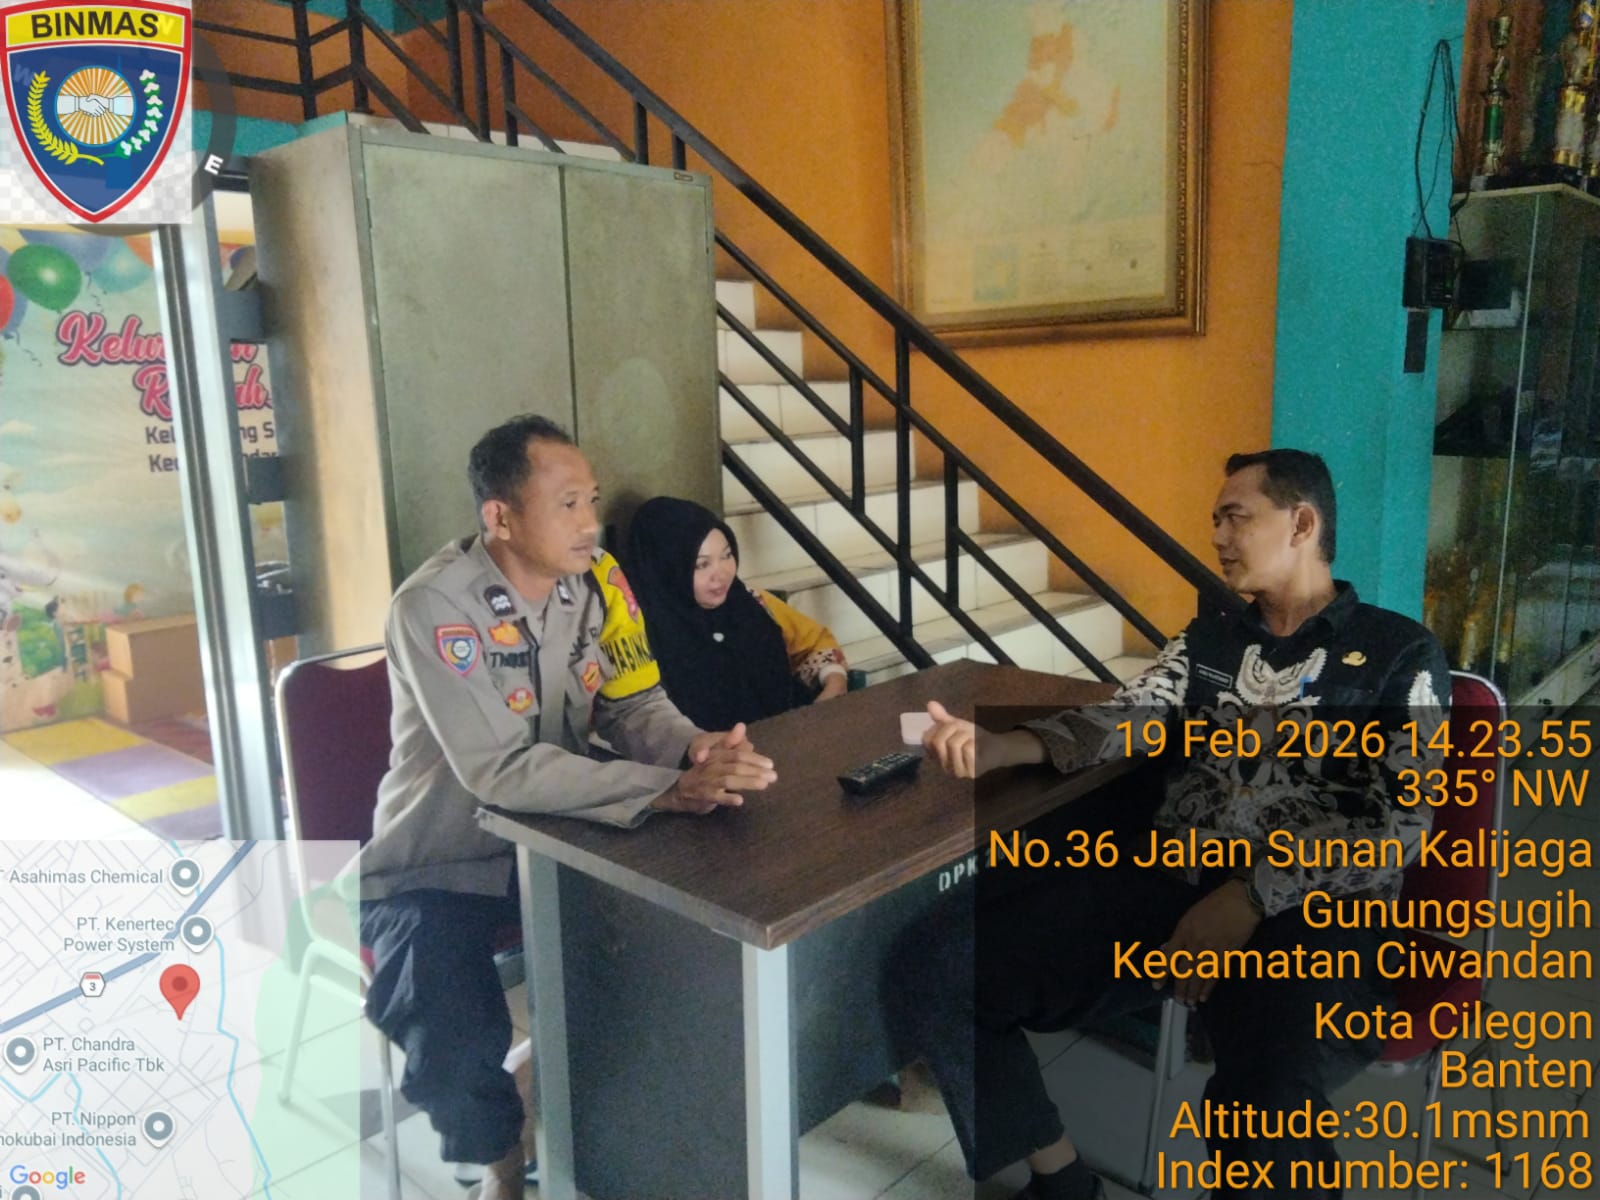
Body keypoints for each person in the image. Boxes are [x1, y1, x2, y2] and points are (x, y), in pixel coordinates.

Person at [909, 449, 1449, 1200]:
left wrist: (1251, 896)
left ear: (1301, 524)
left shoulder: (1399, 654)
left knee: (1267, 1102)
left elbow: (1402, 822)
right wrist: (1007, 746)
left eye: (1235, 517)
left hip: (1316, 907)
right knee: (946, 966)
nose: (1218, 536)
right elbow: (1130, 712)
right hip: (1177, 879)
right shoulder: (1210, 642)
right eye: (1215, 521)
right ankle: (1061, 1180)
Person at [359, 415, 778, 1200]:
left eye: (591, 500)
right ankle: (502, 1164)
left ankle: (558, 1089)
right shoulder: (434, 608)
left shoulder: (596, 585)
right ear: (500, 516)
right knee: (451, 1036)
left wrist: (695, 749)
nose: (590, 522)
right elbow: (499, 771)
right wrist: (661, 790)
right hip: (440, 860)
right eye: (567, 504)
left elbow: (634, 703)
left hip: (564, 837)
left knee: (677, 947)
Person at [621, 495, 849, 731]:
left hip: (790, 736)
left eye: (727, 555)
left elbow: (812, 643)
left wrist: (833, 680)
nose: (722, 574)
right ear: (666, 568)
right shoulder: (638, 632)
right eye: (702, 564)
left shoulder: (750, 602)